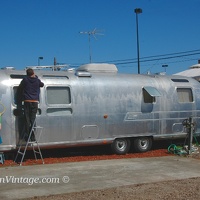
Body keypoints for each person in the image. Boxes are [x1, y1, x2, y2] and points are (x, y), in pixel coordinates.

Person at [18, 68, 44, 141]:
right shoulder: (37, 80)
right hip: (34, 101)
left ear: (27, 74)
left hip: (27, 101)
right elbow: (42, 85)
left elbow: (20, 87)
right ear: (33, 73)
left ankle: (27, 136)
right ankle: (32, 136)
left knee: (27, 118)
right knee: (32, 119)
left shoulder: (25, 80)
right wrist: (36, 77)